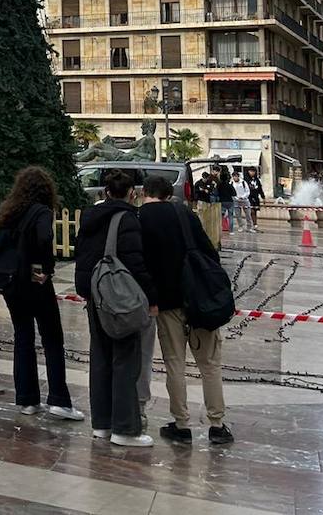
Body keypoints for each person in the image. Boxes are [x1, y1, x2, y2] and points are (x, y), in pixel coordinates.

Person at [139, 174, 234, 445]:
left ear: (144, 192)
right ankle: (217, 424)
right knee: (210, 365)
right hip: (200, 301)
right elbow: (209, 252)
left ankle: (181, 424)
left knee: (175, 364)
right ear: (169, 193)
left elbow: (142, 264)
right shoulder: (184, 214)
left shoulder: (140, 219)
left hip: (166, 303)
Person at [0, 166, 83, 421]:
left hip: (11, 283)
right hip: (34, 282)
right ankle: (59, 400)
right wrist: (44, 268)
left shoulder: (10, 212)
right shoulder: (41, 211)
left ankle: (28, 399)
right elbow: (44, 237)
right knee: (52, 338)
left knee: (23, 337)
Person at [74, 168, 156, 447]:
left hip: (94, 297)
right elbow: (135, 263)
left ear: (105, 192)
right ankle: (124, 429)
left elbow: (82, 258)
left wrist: (86, 290)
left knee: (100, 360)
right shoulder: (128, 220)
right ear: (132, 193)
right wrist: (151, 298)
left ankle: (102, 425)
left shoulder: (89, 218)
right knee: (125, 361)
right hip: (119, 301)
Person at [216, 165, 236, 232]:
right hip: (230, 201)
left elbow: (216, 193)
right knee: (230, 216)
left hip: (222, 202)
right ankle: (231, 230)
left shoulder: (219, 185)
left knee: (221, 216)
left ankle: (221, 228)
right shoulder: (229, 185)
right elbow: (234, 193)